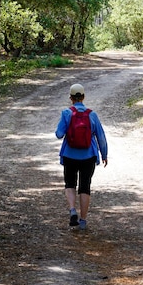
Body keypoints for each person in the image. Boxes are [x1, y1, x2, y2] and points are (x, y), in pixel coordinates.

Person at [56, 83, 108, 230]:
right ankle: (83, 221)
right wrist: (104, 154)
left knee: (70, 184)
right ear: (84, 97)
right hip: (88, 155)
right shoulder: (92, 114)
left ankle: (72, 210)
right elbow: (101, 137)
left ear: (70, 98)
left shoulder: (66, 113)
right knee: (85, 187)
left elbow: (59, 134)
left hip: (69, 155)